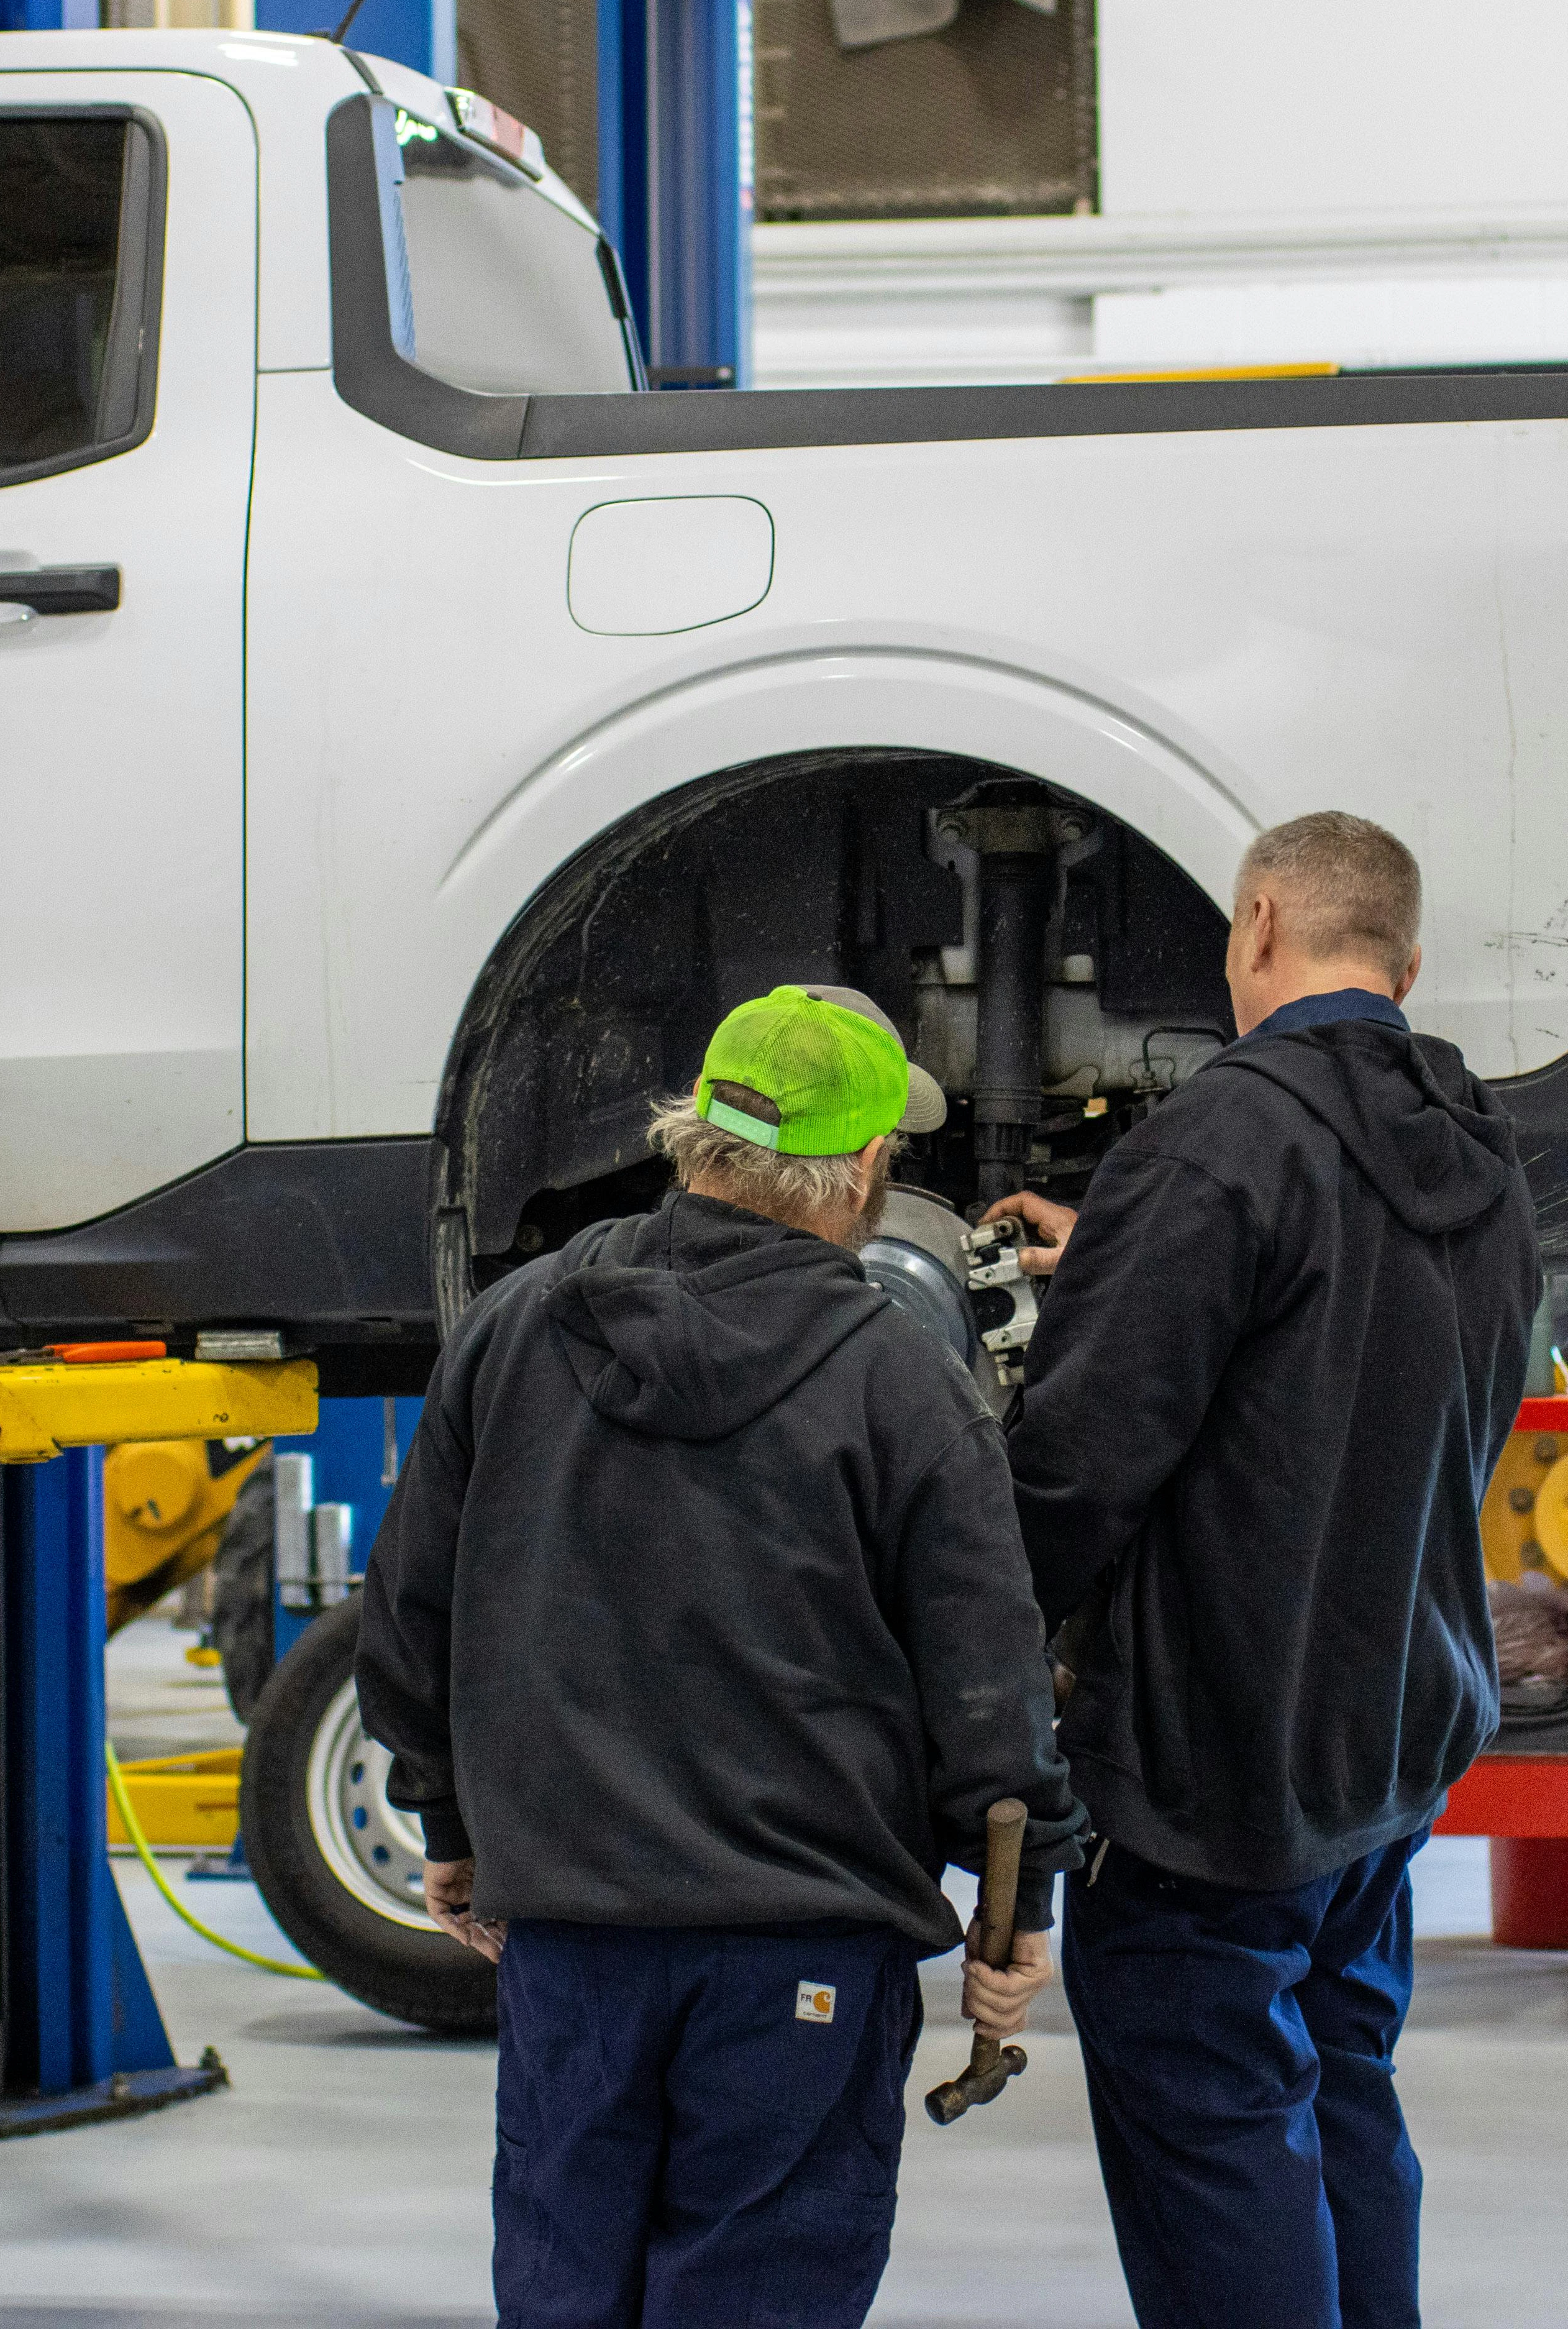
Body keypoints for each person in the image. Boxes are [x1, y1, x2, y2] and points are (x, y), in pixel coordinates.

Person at [360, 982, 1083, 2329]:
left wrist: (447, 1823)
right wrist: (1015, 1911)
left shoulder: (514, 1329)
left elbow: (411, 1612)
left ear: (695, 1129)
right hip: (803, 1956)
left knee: (567, 2292)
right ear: (865, 1167)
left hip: (574, 1943)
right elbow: (987, 1682)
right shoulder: (903, 1380)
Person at [993, 811, 1544, 2329]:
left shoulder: (1212, 1147)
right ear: (1405, 968)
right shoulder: (1484, 1154)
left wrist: (967, 1653)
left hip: (1215, 1765)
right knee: (1342, 2079)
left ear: (1254, 926)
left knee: (1218, 2123)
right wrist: (1128, 1250)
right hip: (1391, 1746)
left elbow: (1076, 1467)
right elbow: (1357, 1339)